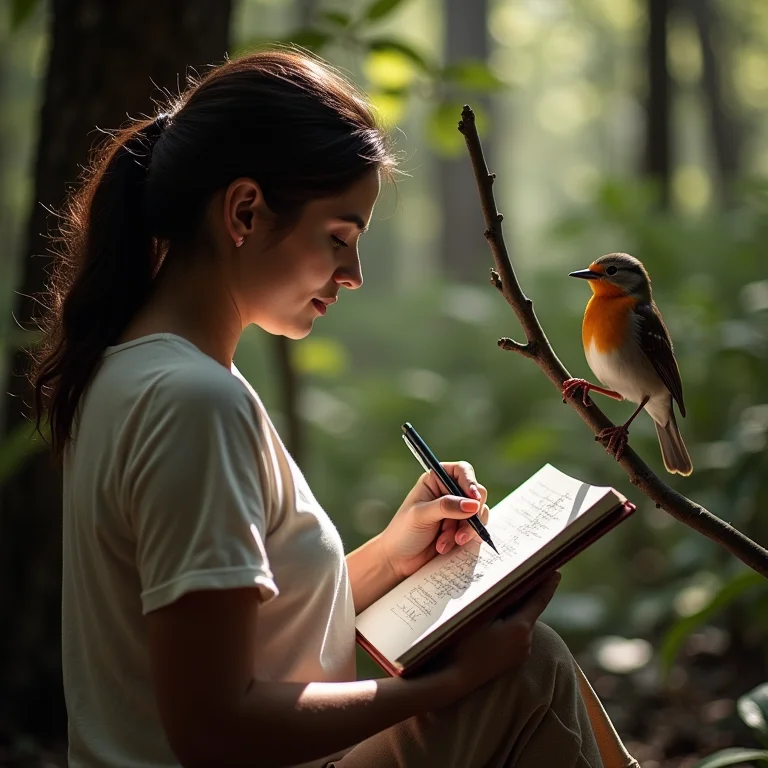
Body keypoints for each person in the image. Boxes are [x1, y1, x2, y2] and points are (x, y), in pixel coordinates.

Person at [31, 49, 639, 768]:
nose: (352, 275)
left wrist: (393, 551)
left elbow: (243, 636)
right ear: (246, 211)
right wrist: (452, 681)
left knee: (532, 665)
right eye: (339, 238)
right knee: (527, 672)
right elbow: (213, 727)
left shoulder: (133, 371)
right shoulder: (194, 402)